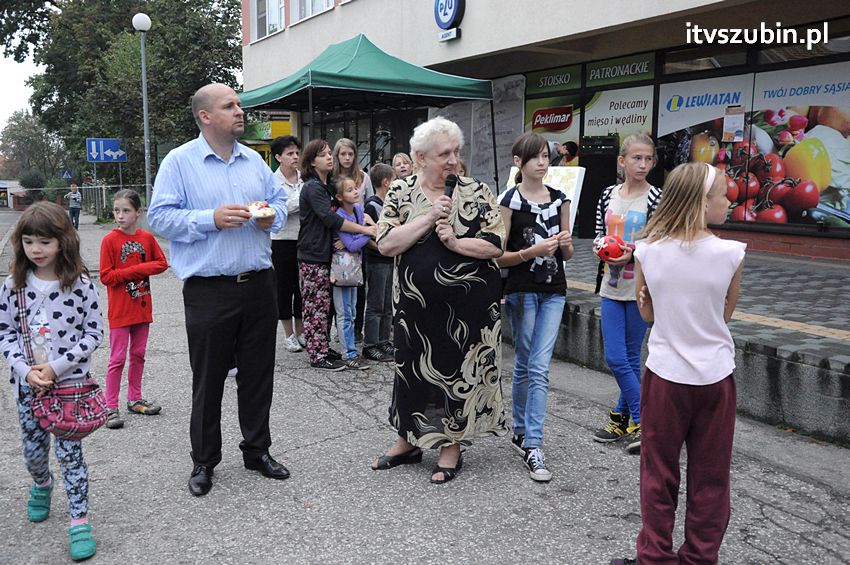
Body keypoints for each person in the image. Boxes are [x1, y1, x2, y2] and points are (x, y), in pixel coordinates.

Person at [147, 83, 290, 497]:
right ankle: (204, 460)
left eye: (239, 104)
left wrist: (269, 217)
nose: (240, 111)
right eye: (230, 106)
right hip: (209, 289)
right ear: (206, 116)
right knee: (208, 379)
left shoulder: (254, 161)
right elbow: (160, 219)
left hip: (259, 283)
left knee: (259, 374)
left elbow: (278, 204)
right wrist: (210, 218)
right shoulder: (179, 162)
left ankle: (257, 450)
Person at [609, 162, 745, 565]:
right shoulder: (732, 254)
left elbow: (648, 316)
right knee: (711, 476)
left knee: (659, 473)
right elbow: (726, 316)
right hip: (715, 378)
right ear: (703, 203)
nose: (728, 200)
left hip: (666, 375)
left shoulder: (648, 251)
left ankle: (654, 556)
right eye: (723, 194)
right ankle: (700, 557)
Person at [371, 116, 506, 484]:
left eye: (456, 151)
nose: (452, 159)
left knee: (457, 371)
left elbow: (496, 244)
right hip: (414, 307)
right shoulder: (400, 193)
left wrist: (456, 243)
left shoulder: (477, 191)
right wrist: (430, 217)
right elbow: (386, 244)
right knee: (411, 370)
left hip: (467, 310)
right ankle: (409, 440)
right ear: (420, 157)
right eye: (443, 153)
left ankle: (451, 445)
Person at [0, 202, 103, 561]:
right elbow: (5, 333)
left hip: (69, 388)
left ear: (63, 241)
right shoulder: (13, 287)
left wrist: (57, 367)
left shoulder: (81, 286)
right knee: (33, 453)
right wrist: (25, 370)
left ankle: (79, 521)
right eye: (28, 242)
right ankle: (42, 484)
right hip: (28, 387)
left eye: (44, 242)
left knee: (70, 454)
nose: (36, 250)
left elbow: (93, 334)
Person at [496, 132, 574, 482]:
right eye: (535, 157)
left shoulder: (561, 199)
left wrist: (565, 245)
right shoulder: (509, 200)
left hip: (555, 289)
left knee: (539, 366)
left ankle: (533, 443)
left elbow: (567, 254)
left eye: (546, 156)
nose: (543, 163)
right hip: (522, 290)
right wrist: (531, 252)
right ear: (519, 163)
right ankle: (519, 429)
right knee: (526, 365)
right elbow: (498, 257)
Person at [592, 134, 662, 455]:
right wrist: (601, 249)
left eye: (648, 159)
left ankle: (637, 421)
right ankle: (634, 419)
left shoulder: (655, 198)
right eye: (636, 158)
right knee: (618, 357)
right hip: (610, 285)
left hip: (640, 288)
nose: (643, 165)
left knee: (627, 358)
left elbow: (660, 243)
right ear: (622, 161)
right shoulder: (607, 195)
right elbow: (598, 234)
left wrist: (631, 252)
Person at [298, 139, 376, 371]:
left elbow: (348, 212)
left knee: (325, 307)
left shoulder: (326, 186)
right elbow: (330, 218)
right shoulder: (312, 187)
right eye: (323, 155)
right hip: (312, 254)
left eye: (329, 153)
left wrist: (364, 221)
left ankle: (322, 347)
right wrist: (365, 230)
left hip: (326, 253)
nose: (329, 157)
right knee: (315, 306)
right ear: (312, 162)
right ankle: (317, 355)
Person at [99, 189, 168, 430]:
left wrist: (139, 269)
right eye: (117, 211)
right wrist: (136, 270)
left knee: (138, 354)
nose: (120, 215)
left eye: (126, 211)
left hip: (141, 307)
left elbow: (162, 263)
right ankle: (110, 407)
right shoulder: (109, 240)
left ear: (138, 213)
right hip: (120, 310)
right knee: (117, 359)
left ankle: (134, 399)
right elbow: (106, 277)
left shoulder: (146, 238)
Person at [333, 138, 373, 341]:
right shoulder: (332, 178)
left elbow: (369, 204)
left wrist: (366, 228)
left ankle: (356, 330)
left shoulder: (363, 176)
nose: (347, 158)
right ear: (337, 155)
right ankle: (341, 332)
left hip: (359, 232)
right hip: (342, 234)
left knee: (359, 283)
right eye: (343, 154)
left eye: (351, 154)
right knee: (340, 286)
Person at [331, 176, 372, 370]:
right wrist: (369, 232)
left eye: (355, 188)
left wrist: (359, 234)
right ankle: (348, 353)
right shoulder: (339, 215)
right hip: (342, 270)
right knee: (344, 312)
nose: (355, 191)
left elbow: (353, 242)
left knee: (353, 311)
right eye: (349, 190)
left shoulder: (357, 209)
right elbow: (351, 244)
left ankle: (352, 350)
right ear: (339, 196)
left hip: (354, 268)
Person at [270, 135, 305, 353]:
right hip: (282, 241)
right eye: (290, 153)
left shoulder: (305, 178)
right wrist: (301, 199)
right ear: (278, 157)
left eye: (296, 153)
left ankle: (301, 332)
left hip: (304, 240)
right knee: (284, 288)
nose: (295, 157)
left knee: (302, 288)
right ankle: (288, 334)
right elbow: (279, 210)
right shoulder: (272, 181)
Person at [361, 163, 395, 363]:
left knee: (387, 304)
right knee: (375, 304)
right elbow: (368, 237)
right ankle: (370, 344)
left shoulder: (390, 205)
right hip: (377, 261)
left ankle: (383, 340)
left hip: (390, 260)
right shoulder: (372, 205)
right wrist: (382, 248)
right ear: (386, 182)